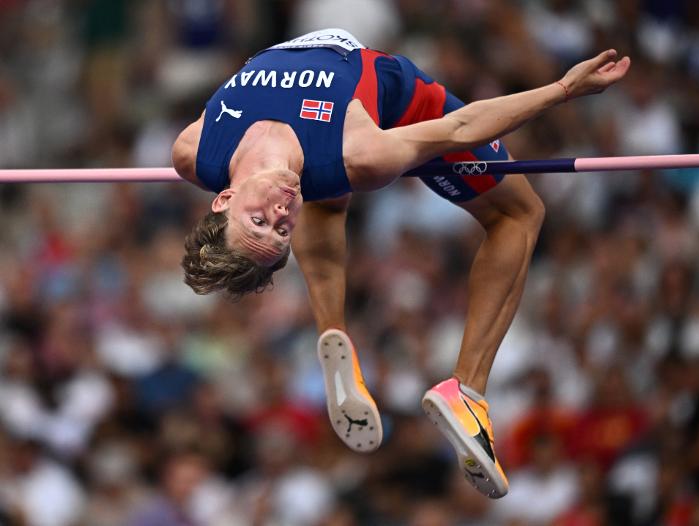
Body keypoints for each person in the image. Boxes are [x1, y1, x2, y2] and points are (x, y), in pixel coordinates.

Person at [171, 28, 630, 499]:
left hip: (334, 141)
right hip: (400, 105)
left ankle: (334, 330)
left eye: (258, 220)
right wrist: (564, 90)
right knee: (519, 213)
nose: (281, 212)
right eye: (281, 231)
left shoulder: (193, 153)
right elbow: (461, 128)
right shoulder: (362, 154)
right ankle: (466, 392)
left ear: (223, 197)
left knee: (324, 197)